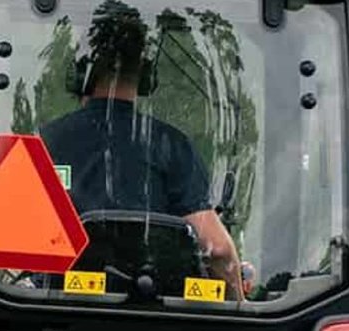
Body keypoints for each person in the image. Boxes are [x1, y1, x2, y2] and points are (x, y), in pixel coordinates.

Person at [39, 2, 247, 300]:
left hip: (48, 318)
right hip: (156, 318)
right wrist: (240, 305)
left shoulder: (45, 143)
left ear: (80, 74)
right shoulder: (172, 146)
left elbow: (7, 243)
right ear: (147, 75)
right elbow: (218, 249)